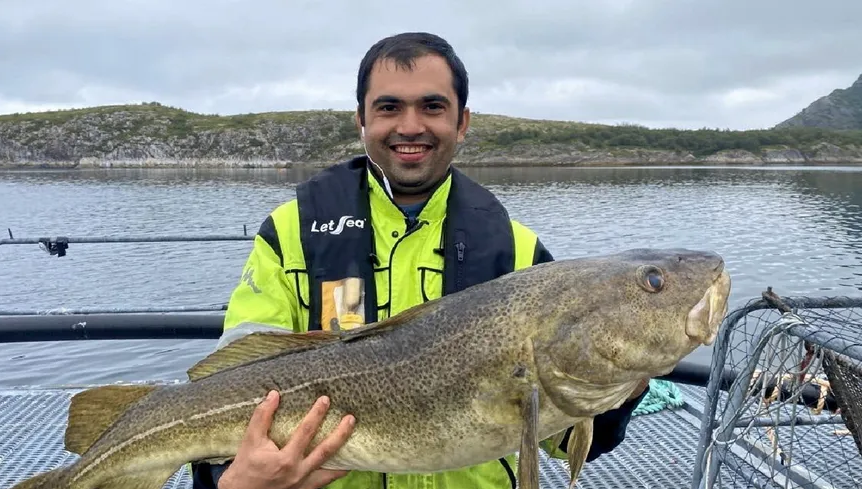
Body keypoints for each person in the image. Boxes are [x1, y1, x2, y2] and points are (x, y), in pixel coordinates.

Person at [191, 31, 650, 489]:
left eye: (432, 107)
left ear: (463, 121)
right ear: (362, 120)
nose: (410, 126)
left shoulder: (517, 251)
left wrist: (627, 379)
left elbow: (568, 439)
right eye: (389, 107)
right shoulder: (291, 233)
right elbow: (231, 384)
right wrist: (230, 482)